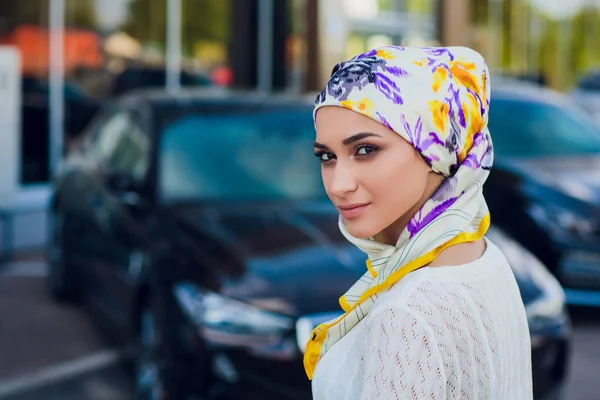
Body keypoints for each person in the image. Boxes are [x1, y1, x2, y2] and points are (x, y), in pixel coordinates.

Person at [305, 46, 532, 399]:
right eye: (327, 156)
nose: (338, 185)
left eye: (365, 150)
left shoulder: (406, 316)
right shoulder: (482, 257)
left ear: (436, 147)